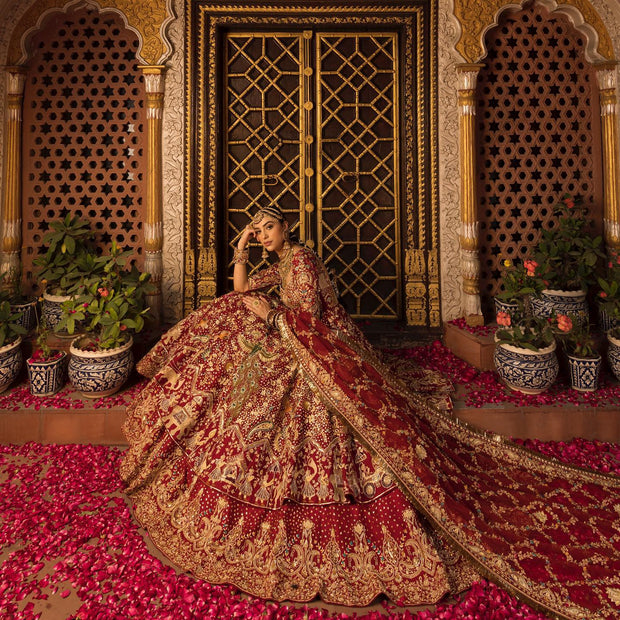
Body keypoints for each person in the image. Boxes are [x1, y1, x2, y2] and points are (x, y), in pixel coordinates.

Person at [121, 205, 620, 619]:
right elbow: (239, 290)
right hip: (292, 341)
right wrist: (239, 252)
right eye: (258, 229)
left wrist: (269, 315)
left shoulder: (304, 263)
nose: (264, 234)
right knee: (227, 318)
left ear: (288, 227)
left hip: (315, 348)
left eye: (269, 227)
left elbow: (307, 320)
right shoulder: (279, 260)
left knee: (252, 349)